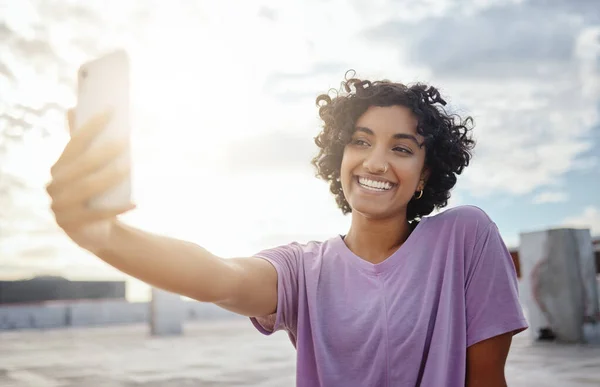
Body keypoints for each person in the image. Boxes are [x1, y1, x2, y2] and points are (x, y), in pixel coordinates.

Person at [46, 73, 528, 387]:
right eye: (360, 142)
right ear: (340, 158)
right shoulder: (304, 270)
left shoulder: (465, 236)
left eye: (402, 148)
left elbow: (488, 380)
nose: (376, 161)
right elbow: (218, 277)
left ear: (425, 173)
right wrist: (104, 235)